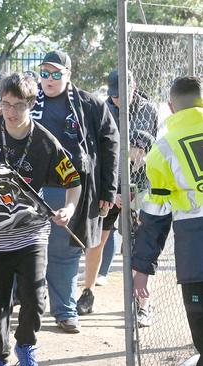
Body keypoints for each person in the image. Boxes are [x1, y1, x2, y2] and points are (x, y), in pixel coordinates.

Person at [0, 72, 82, 366]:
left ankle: (26, 347)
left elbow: (74, 181)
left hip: (32, 234)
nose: (11, 112)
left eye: (19, 105)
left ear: (31, 103)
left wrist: (68, 209)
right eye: (5, 104)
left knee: (34, 298)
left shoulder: (45, 141)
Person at [31, 50, 119, 334]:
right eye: (45, 73)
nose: (49, 79)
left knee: (64, 252)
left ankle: (65, 310)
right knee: (26, 251)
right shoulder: (29, 100)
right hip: (30, 188)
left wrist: (108, 188)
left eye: (56, 73)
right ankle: (26, 306)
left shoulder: (88, 103)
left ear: (68, 74)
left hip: (69, 189)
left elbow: (110, 143)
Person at [76, 69, 159, 318]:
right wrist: (112, 191)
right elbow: (97, 150)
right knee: (96, 241)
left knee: (139, 247)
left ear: (133, 88)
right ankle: (87, 292)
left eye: (121, 95)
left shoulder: (146, 109)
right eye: (113, 96)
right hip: (108, 186)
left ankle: (142, 303)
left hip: (138, 186)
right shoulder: (103, 108)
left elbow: (138, 152)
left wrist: (126, 189)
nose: (117, 100)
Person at [132, 76, 203, 365]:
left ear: (171, 107)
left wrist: (142, 267)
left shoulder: (162, 150)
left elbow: (156, 217)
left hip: (195, 250)